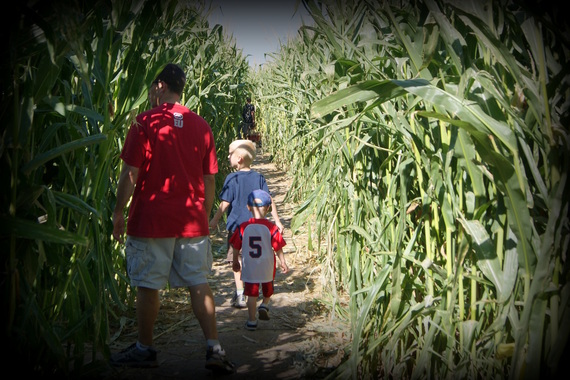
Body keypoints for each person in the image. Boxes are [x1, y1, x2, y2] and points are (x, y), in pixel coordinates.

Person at [111, 63, 234, 374]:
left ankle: (145, 349)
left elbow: (130, 173)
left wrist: (118, 210)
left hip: (151, 219)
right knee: (198, 282)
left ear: (160, 86)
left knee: (148, 285)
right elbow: (209, 181)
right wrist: (203, 216)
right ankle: (214, 348)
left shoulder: (144, 122)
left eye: (153, 87)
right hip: (192, 220)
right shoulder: (201, 126)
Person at [209, 139, 284, 308]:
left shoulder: (232, 178)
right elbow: (269, 200)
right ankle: (258, 288)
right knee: (253, 257)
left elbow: (225, 203)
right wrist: (277, 221)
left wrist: (214, 220)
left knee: (237, 260)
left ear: (239, 158)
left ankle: (240, 293)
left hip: (238, 228)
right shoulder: (259, 177)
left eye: (230, 155)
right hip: (256, 227)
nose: (228, 157)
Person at [229, 190, 288, 330]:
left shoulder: (243, 227)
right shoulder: (271, 228)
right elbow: (278, 247)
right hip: (267, 265)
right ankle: (265, 304)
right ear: (268, 209)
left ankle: (251, 320)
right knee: (268, 289)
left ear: (248, 207)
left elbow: (236, 246)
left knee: (251, 294)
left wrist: (235, 260)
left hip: (250, 265)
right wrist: (283, 261)